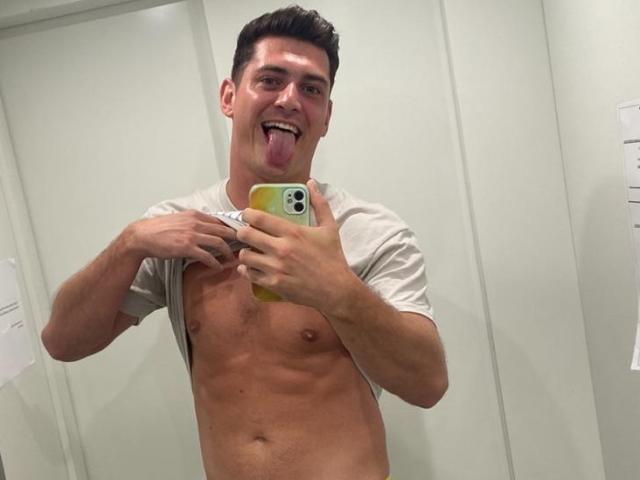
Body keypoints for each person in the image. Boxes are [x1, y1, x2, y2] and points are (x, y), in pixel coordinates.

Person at [41, 5, 448, 480]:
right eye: (270, 80)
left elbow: (427, 384)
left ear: (326, 116)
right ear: (229, 96)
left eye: (311, 89)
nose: (290, 99)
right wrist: (132, 242)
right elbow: (62, 342)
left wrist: (336, 290)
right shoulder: (176, 230)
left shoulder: (369, 231)